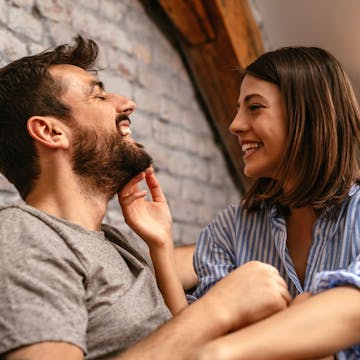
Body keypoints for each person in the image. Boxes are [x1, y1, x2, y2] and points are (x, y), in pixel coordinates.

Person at [0, 37, 291, 360]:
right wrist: (216, 310)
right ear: (51, 132)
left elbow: (220, 257)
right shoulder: (24, 235)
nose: (126, 104)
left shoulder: (118, 243)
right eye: (98, 96)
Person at [188, 47, 360, 359]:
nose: (235, 125)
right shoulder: (228, 228)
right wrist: (159, 245)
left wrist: (225, 350)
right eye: (239, 109)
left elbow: (353, 310)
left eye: (254, 107)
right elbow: (200, 328)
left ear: (306, 115)